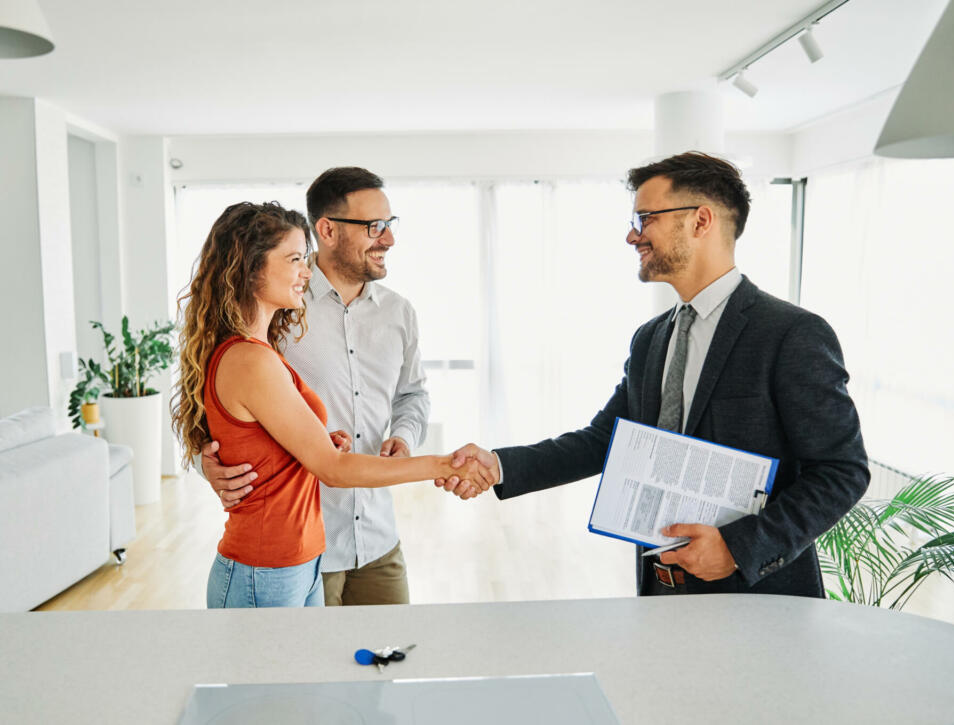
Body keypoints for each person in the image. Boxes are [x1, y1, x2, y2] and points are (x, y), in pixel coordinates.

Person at [440, 151, 869, 598]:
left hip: (758, 593)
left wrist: (738, 548)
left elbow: (842, 470)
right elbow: (605, 440)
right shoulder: (651, 339)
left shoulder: (791, 334)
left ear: (700, 221)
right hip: (661, 587)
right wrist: (500, 464)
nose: (632, 235)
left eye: (645, 218)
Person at [171, 201, 488, 608]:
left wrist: (317, 440)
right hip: (264, 570)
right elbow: (333, 470)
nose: (306, 271)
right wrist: (442, 465)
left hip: (299, 561)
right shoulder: (251, 360)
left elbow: (279, 447)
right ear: (250, 268)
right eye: (294, 259)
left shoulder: (261, 350)